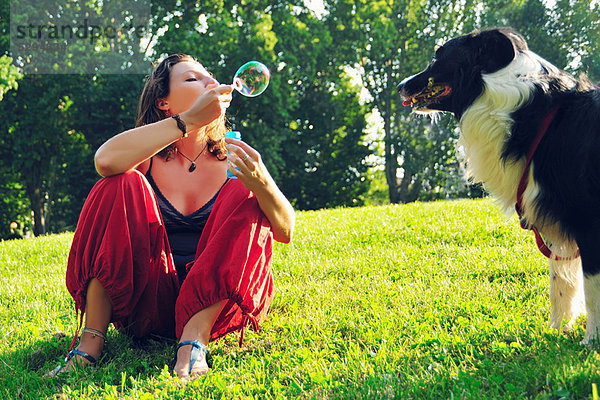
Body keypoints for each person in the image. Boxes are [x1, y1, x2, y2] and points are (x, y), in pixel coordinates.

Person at [44, 54, 295, 379]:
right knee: (119, 182)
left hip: (214, 307)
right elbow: (105, 161)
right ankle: (90, 343)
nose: (210, 82)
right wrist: (188, 121)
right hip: (148, 302)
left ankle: (193, 342)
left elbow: (285, 230)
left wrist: (262, 184)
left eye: (210, 76)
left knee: (245, 191)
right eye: (193, 79)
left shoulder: (233, 156)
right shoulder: (146, 158)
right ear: (164, 102)